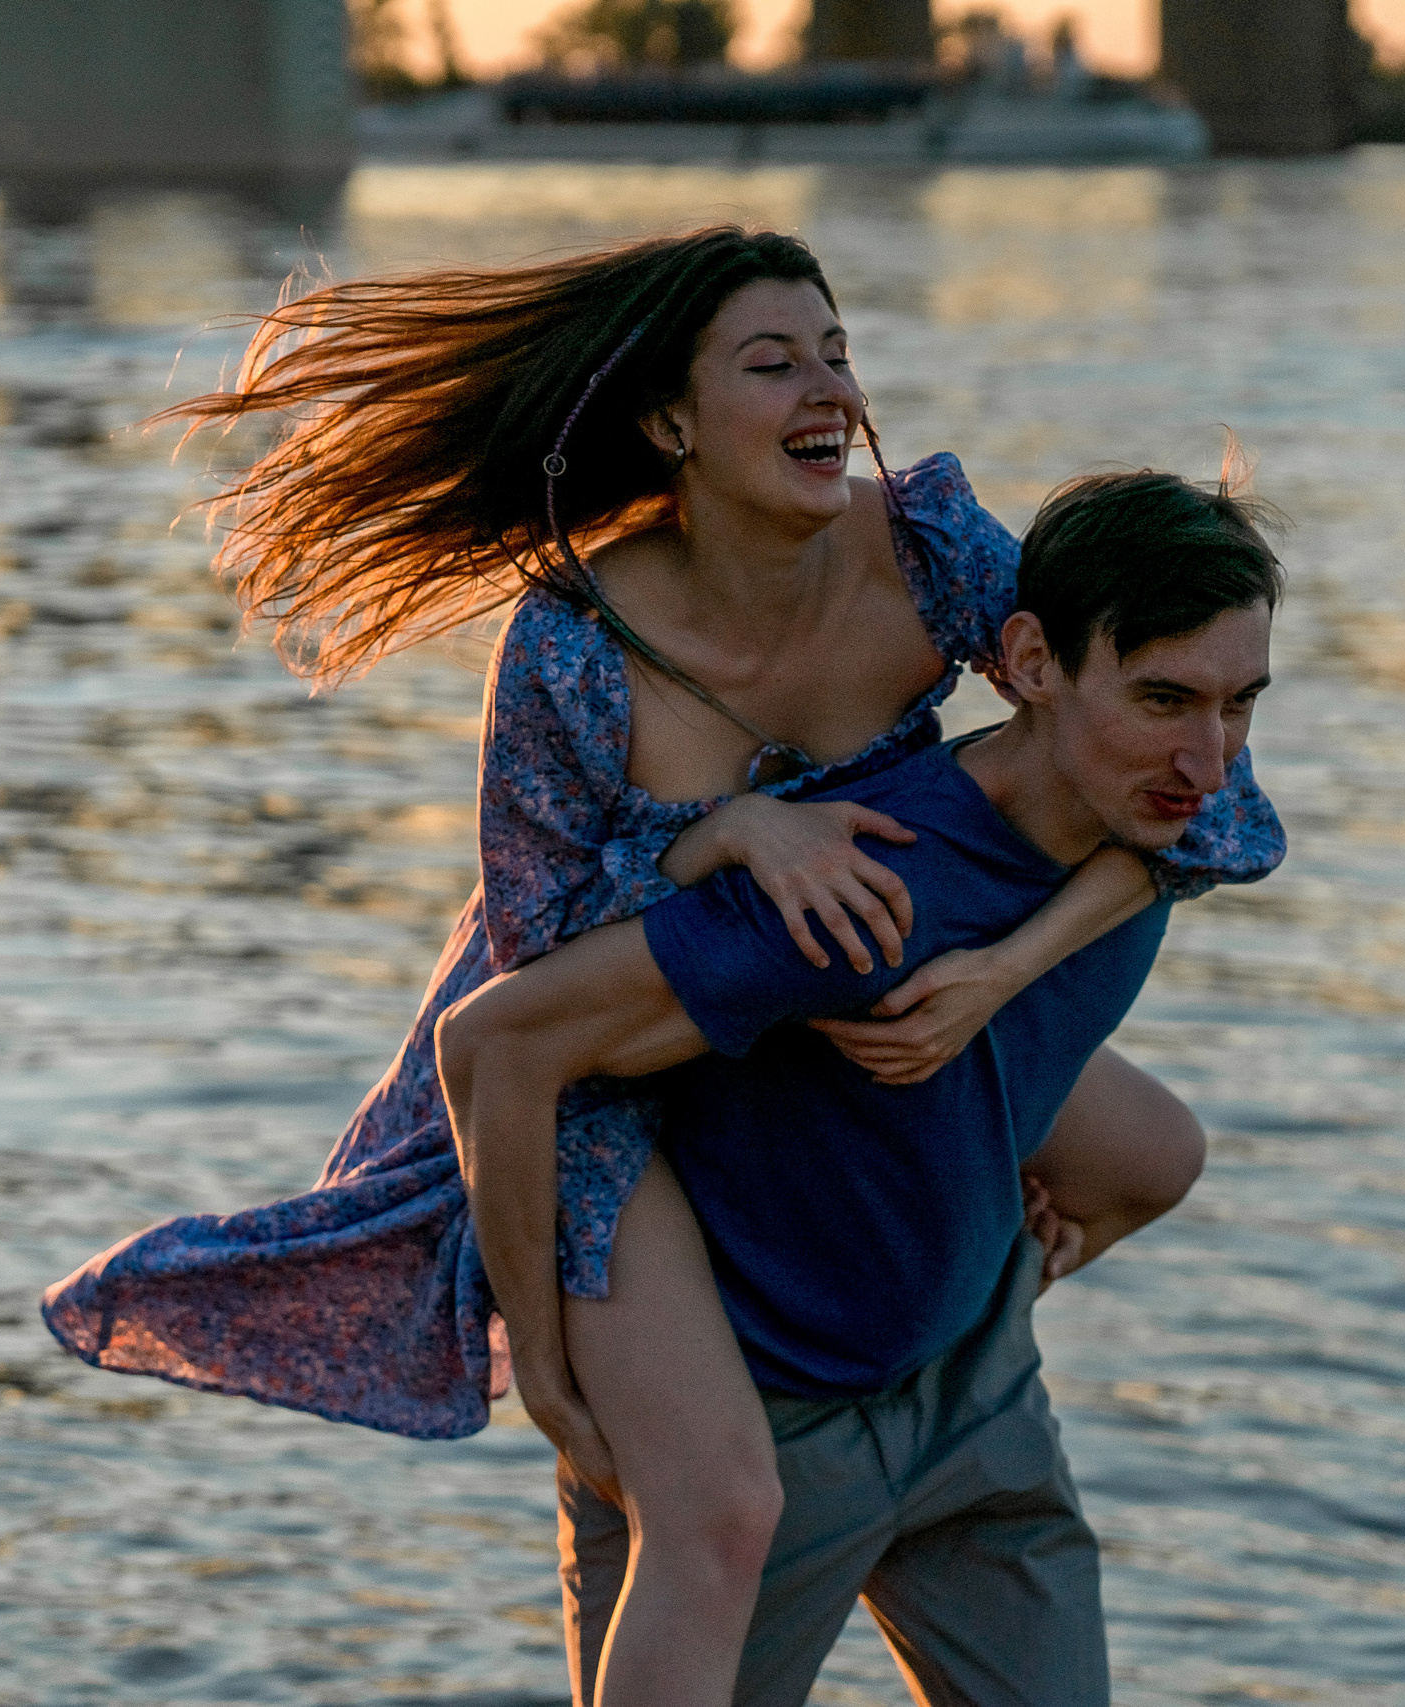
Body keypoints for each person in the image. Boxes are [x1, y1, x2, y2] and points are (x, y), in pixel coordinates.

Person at [39, 229, 1284, 1695]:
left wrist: (1006, 969)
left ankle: (944, 1355)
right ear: (670, 420)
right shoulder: (577, 643)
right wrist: (726, 837)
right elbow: (534, 966)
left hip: (860, 958)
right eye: (774, 363)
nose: (830, 389)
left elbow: (1152, 753)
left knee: (1155, 1154)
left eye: (838, 353)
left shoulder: (926, 545)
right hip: (612, 1045)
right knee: (717, 1504)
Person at [437, 467, 1284, 1704]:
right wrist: (551, 1375)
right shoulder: (859, 889)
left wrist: (997, 1238)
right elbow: (497, 1047)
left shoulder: (1162, 830)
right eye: (1163, 699)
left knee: (1162, 1153)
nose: (1208, 761)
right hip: (768, 1442)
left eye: (1239, 704)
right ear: (1029, 663)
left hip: (979, 1408)